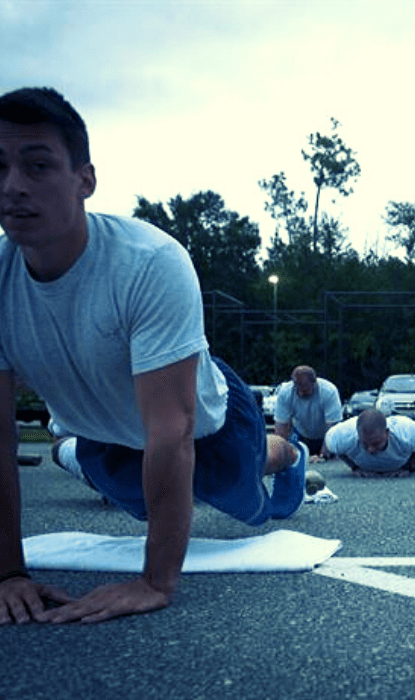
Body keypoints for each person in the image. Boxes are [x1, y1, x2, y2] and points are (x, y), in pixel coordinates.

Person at [0, 87, 308, 625]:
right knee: (146, 498)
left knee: (243, 505)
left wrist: (155, 581)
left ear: (85, 180)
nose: (12, 187)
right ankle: (67, 452)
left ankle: (286, 451)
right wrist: (7, 573)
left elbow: (172, 431)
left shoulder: (150, 263)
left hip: (207, 425)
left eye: (38, 165)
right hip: (110, 439)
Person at [324, 409, 415, 478]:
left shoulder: (405, 432)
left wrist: (409, 466)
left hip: (404, 456)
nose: (371, 450)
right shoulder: (344, 435)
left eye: (376, 443)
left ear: (387, 433)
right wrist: (354, 467)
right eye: (365, 444)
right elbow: (334, 448)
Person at [273, 365, 342, 462]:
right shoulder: (285, 392)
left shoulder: (329, 391)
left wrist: (323, 456)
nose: (300, 393)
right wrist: (278, 455)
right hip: (303, 436)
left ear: (314, 383)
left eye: (305, 390)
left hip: (327, 438)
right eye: (298, 388)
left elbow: (332, 427)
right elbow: (281, 428)